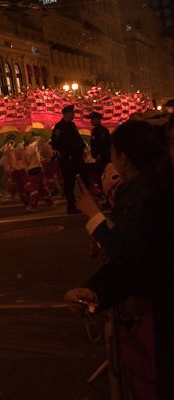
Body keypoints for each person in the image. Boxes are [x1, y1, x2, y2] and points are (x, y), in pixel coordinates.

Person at [64, 120, 174, 399]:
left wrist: (95, 217)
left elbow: (131, 258)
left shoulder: (152, 197)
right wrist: (95, 293)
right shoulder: (144, 192)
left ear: (123, 158)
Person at [50, 104, 88, 213]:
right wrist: (66, 153)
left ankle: (86, 202)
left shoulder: (72, 125)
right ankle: (71, 206)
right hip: (67, 159)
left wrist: (82, 147)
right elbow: (55, 143)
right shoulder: (59, 127)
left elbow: (77, 139)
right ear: (66, 114)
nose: (73, 114)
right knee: (69, 183)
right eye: (72, 112)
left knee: (84, 179)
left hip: (77, 157)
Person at [89, 112, 112, 192]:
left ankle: (106, 195)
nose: (91, 121)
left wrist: (100, 154)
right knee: (99, 178)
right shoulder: (95, 130)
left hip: (103, 159)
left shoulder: (102, 131)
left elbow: (106, 144)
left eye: (92, 119)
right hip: (99, 158)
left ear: (98, 120)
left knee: (103, 177)